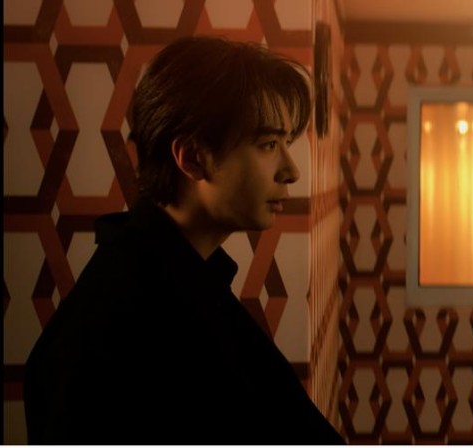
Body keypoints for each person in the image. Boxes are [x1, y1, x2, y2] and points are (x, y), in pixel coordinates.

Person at [23, 36, 345, 444]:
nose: (291, 171)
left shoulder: (191, 282)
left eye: (286, 144)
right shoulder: (111, 330)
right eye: (268, 145)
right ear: (192, 157)